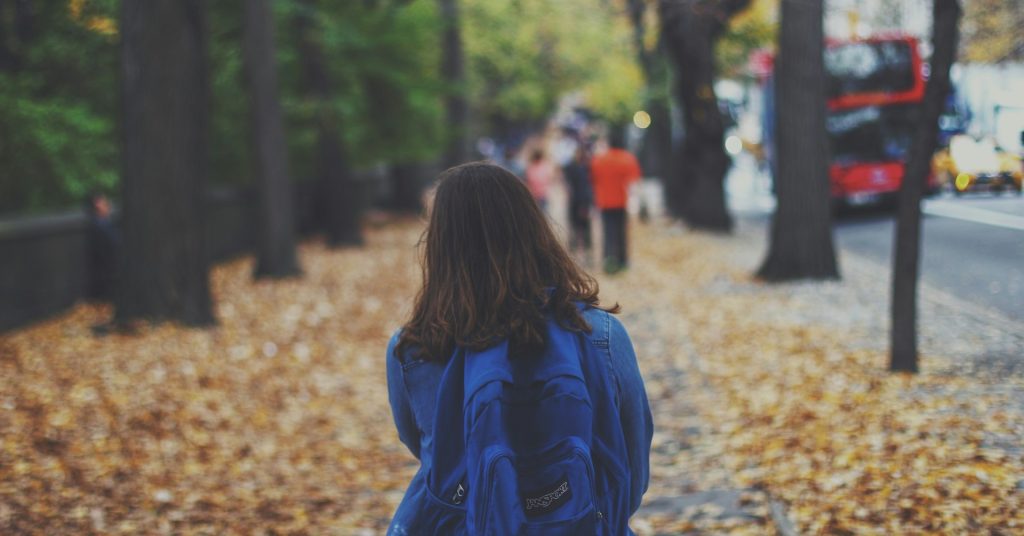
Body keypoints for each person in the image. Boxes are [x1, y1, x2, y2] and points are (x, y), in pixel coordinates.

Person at [386, 163, 652, 535]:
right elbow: (632, 470)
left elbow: (431, 453)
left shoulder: (413, 349)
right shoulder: (601, 335)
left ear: (440, 244)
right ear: (535, 230)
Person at [590, 131, 642, 274]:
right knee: (621, 232)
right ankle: (623, 260)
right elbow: (633, 183)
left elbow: (594, 180)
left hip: (604, 201)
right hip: (621, 201)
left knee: (608, 232)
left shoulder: (599, 160)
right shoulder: (628, 159)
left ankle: (608, 260)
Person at [84, 192, 119, 301]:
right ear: (98, 205)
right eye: (105, 203)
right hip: (106, 273)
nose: (108, 206)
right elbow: (114, 244)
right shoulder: (101, 225)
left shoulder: (101, 224)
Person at [563, 144, 594, 262]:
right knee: (578, 228)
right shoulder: (579, 168)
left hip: (581, 202)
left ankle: (583, 254)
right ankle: (578, 253)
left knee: (582, 229)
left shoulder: (584, 168)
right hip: (577, 202)